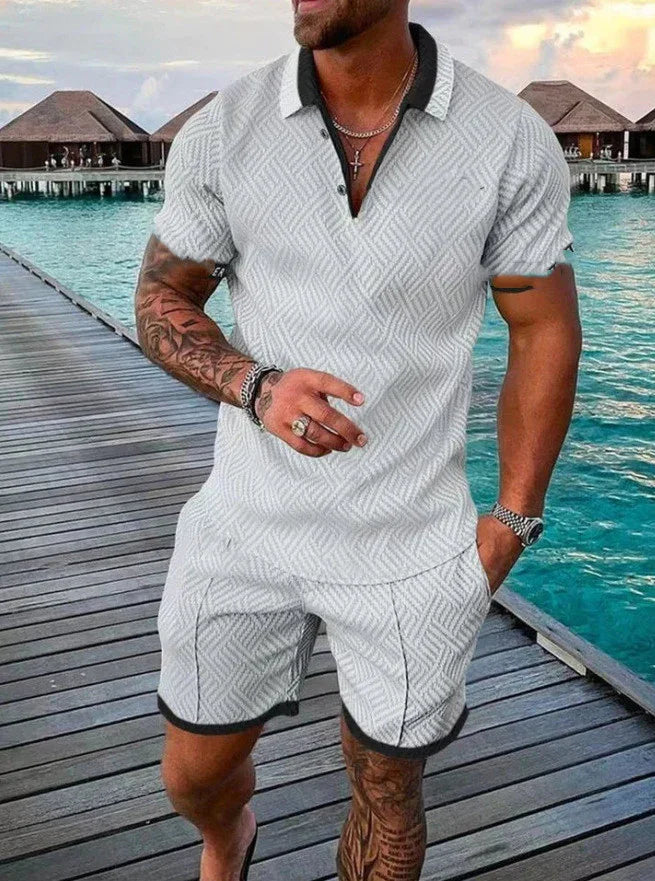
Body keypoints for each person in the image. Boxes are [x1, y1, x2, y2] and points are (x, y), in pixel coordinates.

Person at [134, 2, 582, 879]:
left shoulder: (508, 139)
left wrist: (513, 520)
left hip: (410, 544)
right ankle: (229, 837)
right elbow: (160, 302)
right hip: (243, 527)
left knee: (387, 792)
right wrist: (254, 385)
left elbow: (543, 329)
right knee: (193, 773)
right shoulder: (225, 130)